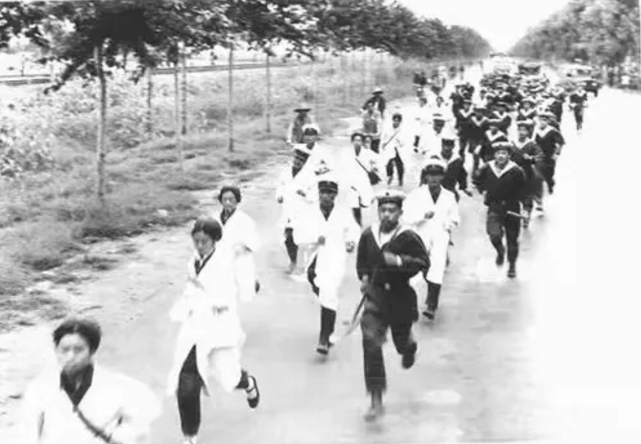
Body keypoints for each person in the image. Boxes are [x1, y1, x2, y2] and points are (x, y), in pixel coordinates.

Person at [168, 219, 260, 444]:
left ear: (215, 240)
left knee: (229, 375)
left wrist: (222, 299)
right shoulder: (193, 262)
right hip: (195, 326)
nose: (200, 246)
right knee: (187, 380)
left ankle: (248, 382)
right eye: (196, 241)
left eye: (205, 241)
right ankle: (190, 436)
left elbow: (242, 276)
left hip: (220, 327)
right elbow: (191, 289)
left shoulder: (226, 259)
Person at [20, 318, 160, 444]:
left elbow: (139, 430)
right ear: (56, 350)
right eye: (64, 350)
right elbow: (28, 435)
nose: (70, 356)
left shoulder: (121, 387)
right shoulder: (40, 388)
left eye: (78, 350)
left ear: (92, 351)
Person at [357, 189, 430, 421]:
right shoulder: (369, 234)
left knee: (401, 343)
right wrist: (365, 279)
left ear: (400, 213)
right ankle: (375, 400)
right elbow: (362, 262)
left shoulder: (408, 236)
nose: (387, 214)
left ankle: (408, 346)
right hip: (376, 297)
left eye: (392, 210)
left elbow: (423, 262)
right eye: (383, 210)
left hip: (400, 298)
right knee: (371, 343)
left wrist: (399, 261)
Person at [295, 178, 360, 355]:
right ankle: (326, 304)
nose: (326, 196)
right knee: (316, 283)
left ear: (335, 195)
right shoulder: (309, 212)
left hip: (334, 257)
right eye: (323, 192)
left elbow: (352, 230)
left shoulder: (343, 213)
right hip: (313, 256)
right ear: (319, 193)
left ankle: (324, 338)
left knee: (329, 294)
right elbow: (298, 234)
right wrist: (315, 239)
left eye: (330, 193)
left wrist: (350, 242)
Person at [404, 159, 459, 321]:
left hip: (440, 236)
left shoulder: (449, 196)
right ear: (425, 177)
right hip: (420, 235)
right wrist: (422, 215)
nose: (434, 178)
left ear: (442, 177)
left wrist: (448, 224)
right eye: (430, 175)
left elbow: (455, 218)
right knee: (417, 269)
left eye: (437, 175)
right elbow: (406, 216)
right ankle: (410, 303)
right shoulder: (416, 195)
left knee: (437, 268)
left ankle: (431, 305)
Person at [473, 142, 526, 278]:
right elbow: (477, 180)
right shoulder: (487, 167)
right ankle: (500, 251)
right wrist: (483, 191)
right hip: (494, 206)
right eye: (498, 153)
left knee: (512, 239)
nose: (501, 156)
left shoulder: (516, 170)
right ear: (494, 155)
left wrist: (526, 207)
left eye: (504, 153)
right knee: (494, 234)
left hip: (512, 207)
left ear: (509, 155)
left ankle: (512, 266)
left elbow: (524, 190)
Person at [276, 144, 318, 274]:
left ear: (305, 162)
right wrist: (279, 196)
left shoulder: (310, 175)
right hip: (288, 209)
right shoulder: (285, 172)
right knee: (288, 237)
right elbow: (280, 185)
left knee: (303, 238)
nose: (298, 162)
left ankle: (308, 265)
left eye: (301, 160)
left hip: (303, 210)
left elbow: (315, 193)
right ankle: (293, 261)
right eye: (296, 159)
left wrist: (305, 194)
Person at [214, 185, 260, 299]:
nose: (228, 203)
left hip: (238, 258)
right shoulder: (214, 218)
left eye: (231, 199)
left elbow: (254, 241)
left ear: (237, 200)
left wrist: (242, 248)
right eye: (224, 200)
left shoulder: (245, 220)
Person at [510, 121, 545, 228]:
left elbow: (540, 155)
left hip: (527, 173)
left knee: (526, 197)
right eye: (520, 130)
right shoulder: (512, 143)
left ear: (528, 132)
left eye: (524, 130)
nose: (521, 132)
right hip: (513, 173)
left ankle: (526, 216)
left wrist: (531, 158)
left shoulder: (532, 144)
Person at [346, 132, 380, 226]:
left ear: (362, 142)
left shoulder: (367, 152)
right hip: (351, 182)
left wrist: (374, 166)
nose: (357, 142)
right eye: (355, 140)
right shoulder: (347, 153)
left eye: (359, 140)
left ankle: (372, 220)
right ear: (352, 141)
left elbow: (378, 160)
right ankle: (358, 224)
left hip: (363, 181)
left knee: (366, 203)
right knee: (354, 204)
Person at [432, 130, 470, 202]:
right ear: (442, 145)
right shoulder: (434, 159)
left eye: (449, 147)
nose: (447, 149)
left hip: (449, 189)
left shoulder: (457, 161)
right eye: (445, 146)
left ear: (453, 146)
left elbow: (462, 175)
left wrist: (464, 188)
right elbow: (425, 175)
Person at [533, 111, 564, 195]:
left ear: (548, 121)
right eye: (541, 120)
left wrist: (556, 153)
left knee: (549, 172)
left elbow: (560, 142)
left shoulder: (552, 131)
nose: (542, 122)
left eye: (545, 120)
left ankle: (550, 183)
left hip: (550, 155)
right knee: (538, 172)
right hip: (538, 155)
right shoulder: (535, 131)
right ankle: (540, 190)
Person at [380, 112, 409, 187]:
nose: (396, 122)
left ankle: (400, 180)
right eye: (395, 120)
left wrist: (400, 142)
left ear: (400, 122)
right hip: (389, 148)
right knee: (388, 164)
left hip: (398, 149)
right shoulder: (387, 129)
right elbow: (383, 138)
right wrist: (383, 143)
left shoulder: (402, 130)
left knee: (400, 165)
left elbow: (405, 141)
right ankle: (390, 175)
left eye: (398, 121)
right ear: (392, 120)